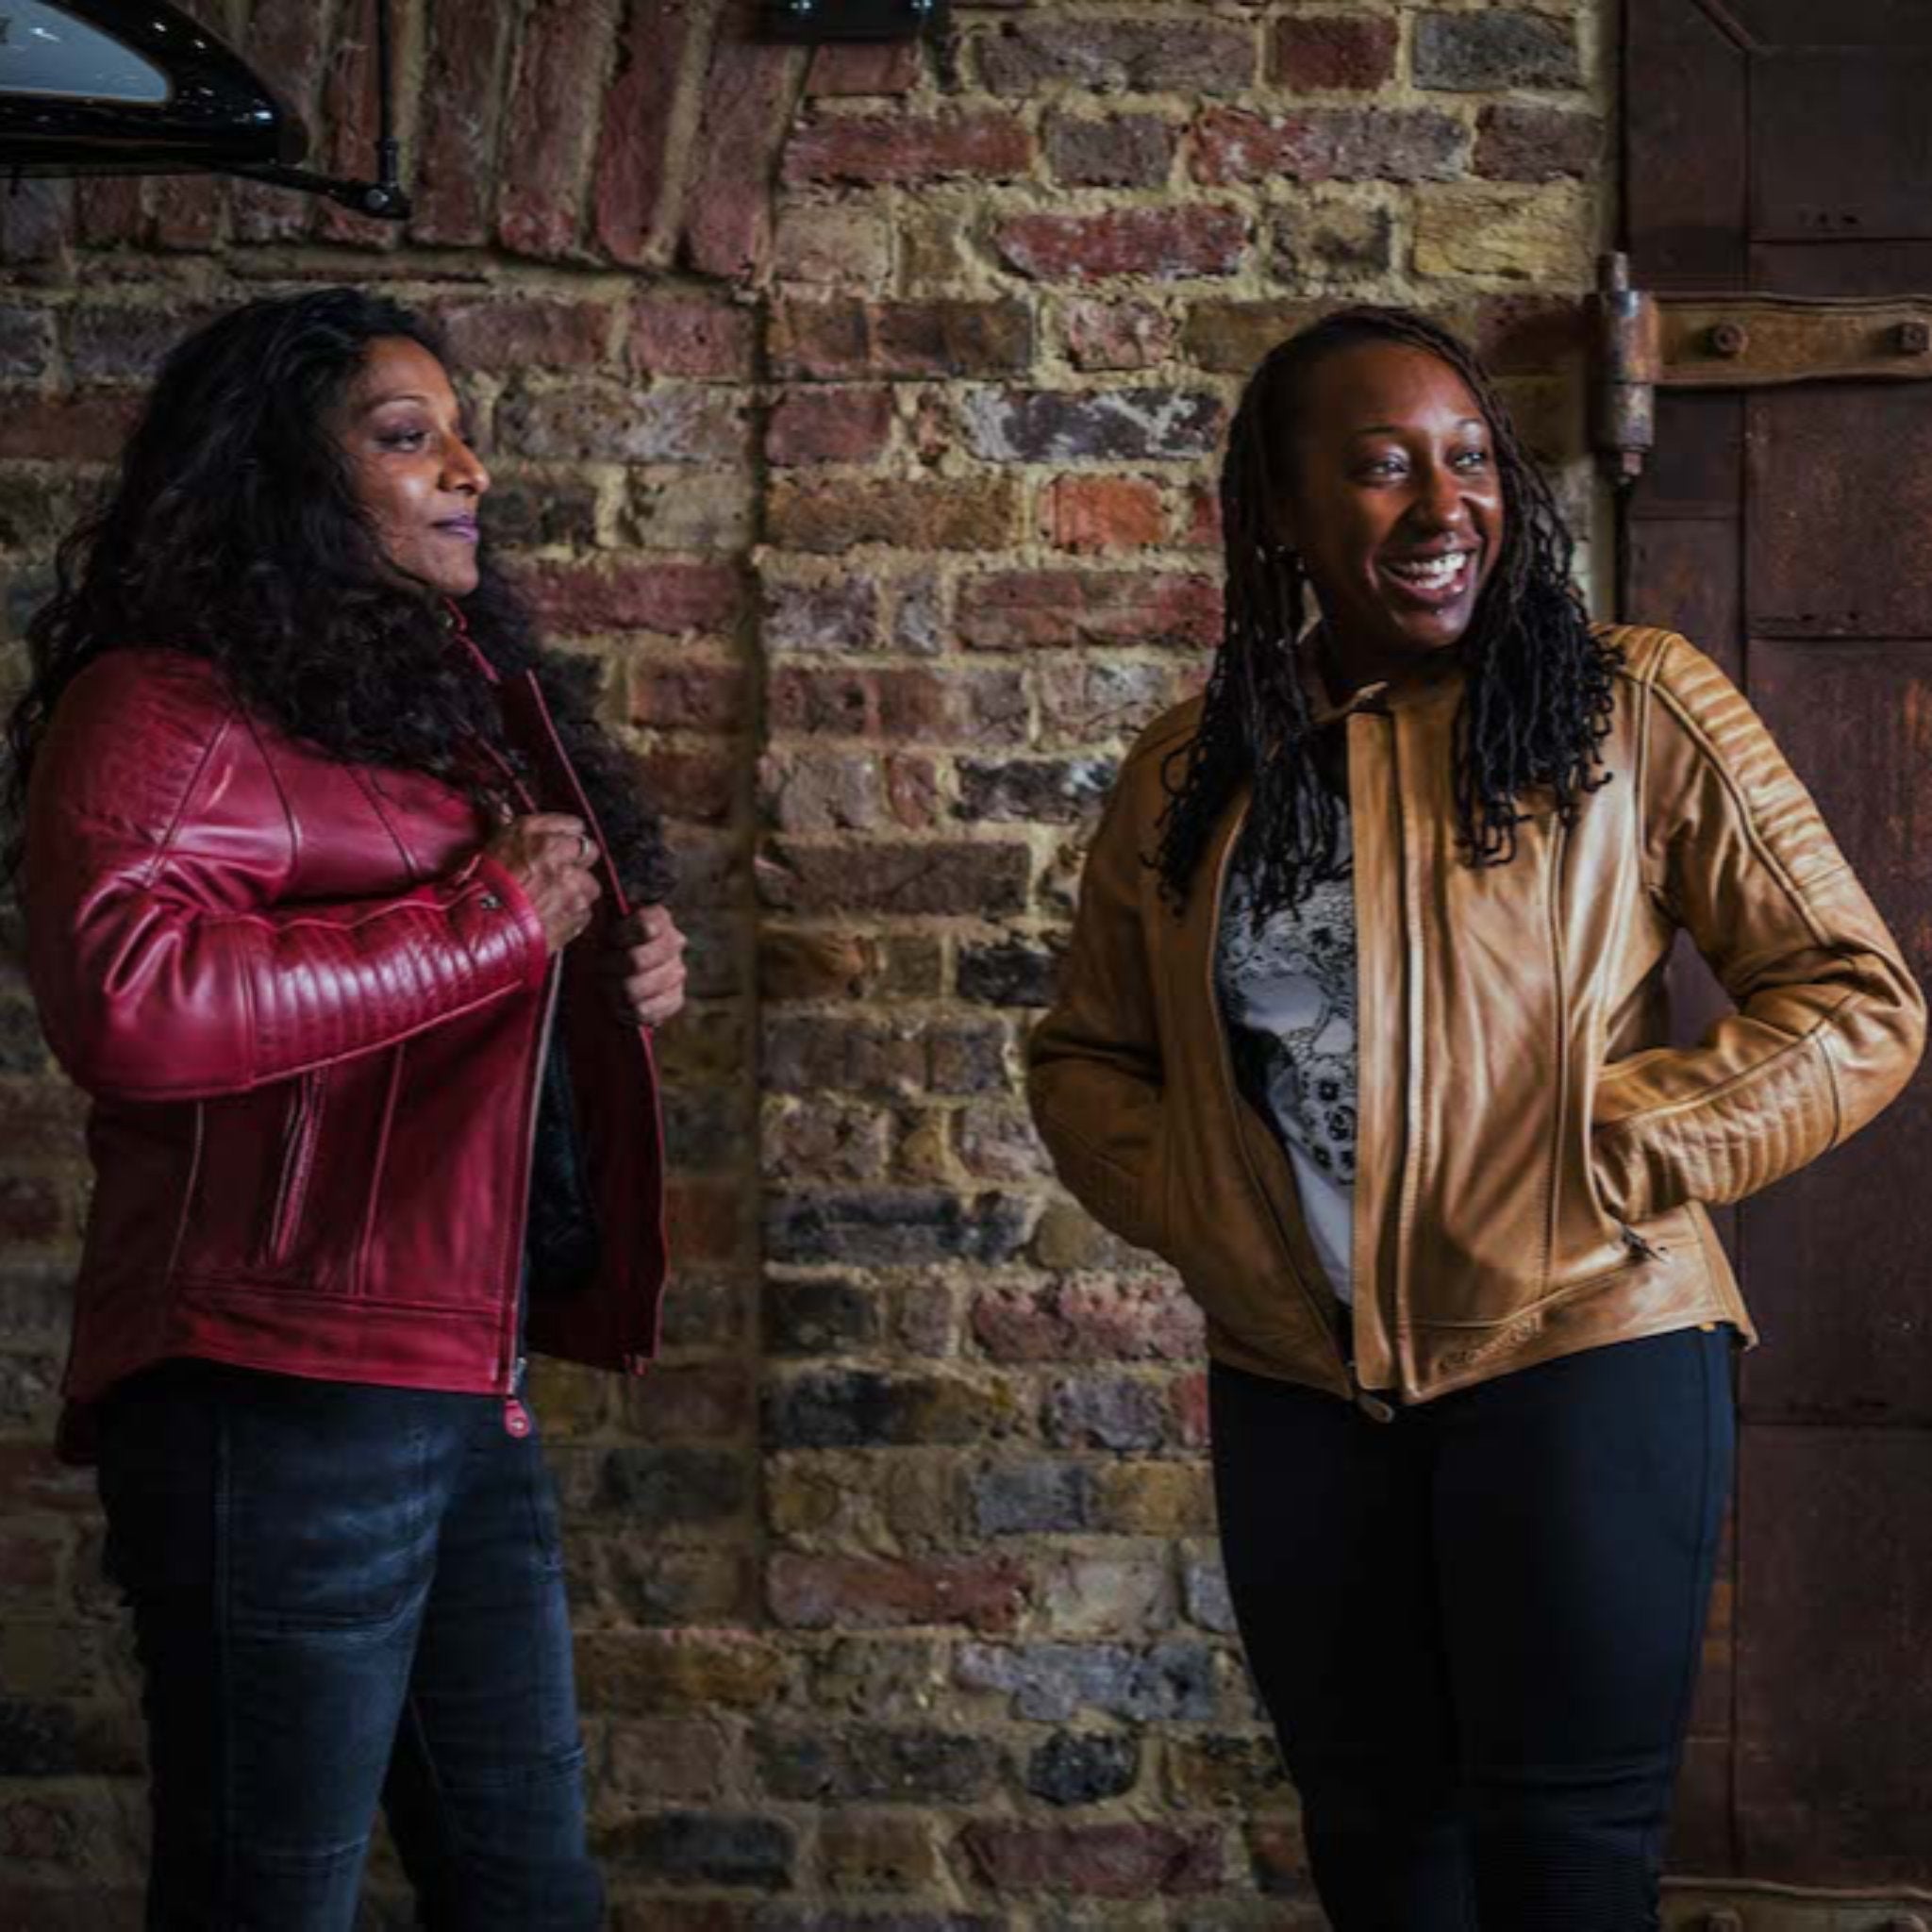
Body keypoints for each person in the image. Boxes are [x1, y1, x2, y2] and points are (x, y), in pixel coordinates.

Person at [1027, 307, 1924, 1929]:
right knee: (1379, 1853)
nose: (1445, 507)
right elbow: (1086, 1058)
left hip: (1581, 1351)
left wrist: (1618, 1149)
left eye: (1468, 459)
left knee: (1568, 1862)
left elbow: (1855, 1001)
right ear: (1282, 515)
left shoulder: (1625, 706)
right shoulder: (1191, 772)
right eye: (1380, 469)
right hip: (1301, 1387)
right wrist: (1204, 1203)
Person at [5, 289, 691, 1930]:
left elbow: (465, 977)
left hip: (461, 1382)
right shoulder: (166, 707)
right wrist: (494, 927)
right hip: (276, 1393)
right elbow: (132, 1005)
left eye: (461, 435)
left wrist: (617, 965)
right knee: (265, 1899)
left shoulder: (414, 699)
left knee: (530, 1894)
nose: (465, 470)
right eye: (407, 439)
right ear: (281, 484)